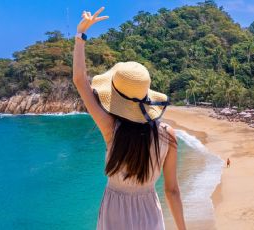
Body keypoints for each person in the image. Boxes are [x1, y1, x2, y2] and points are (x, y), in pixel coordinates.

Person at [72, 7, 186, 230]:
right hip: (149, 213)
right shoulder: (168, 135)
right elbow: (172, 190)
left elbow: (80, 80)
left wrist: (80, 35)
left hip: (114, 214)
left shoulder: (110, 129)